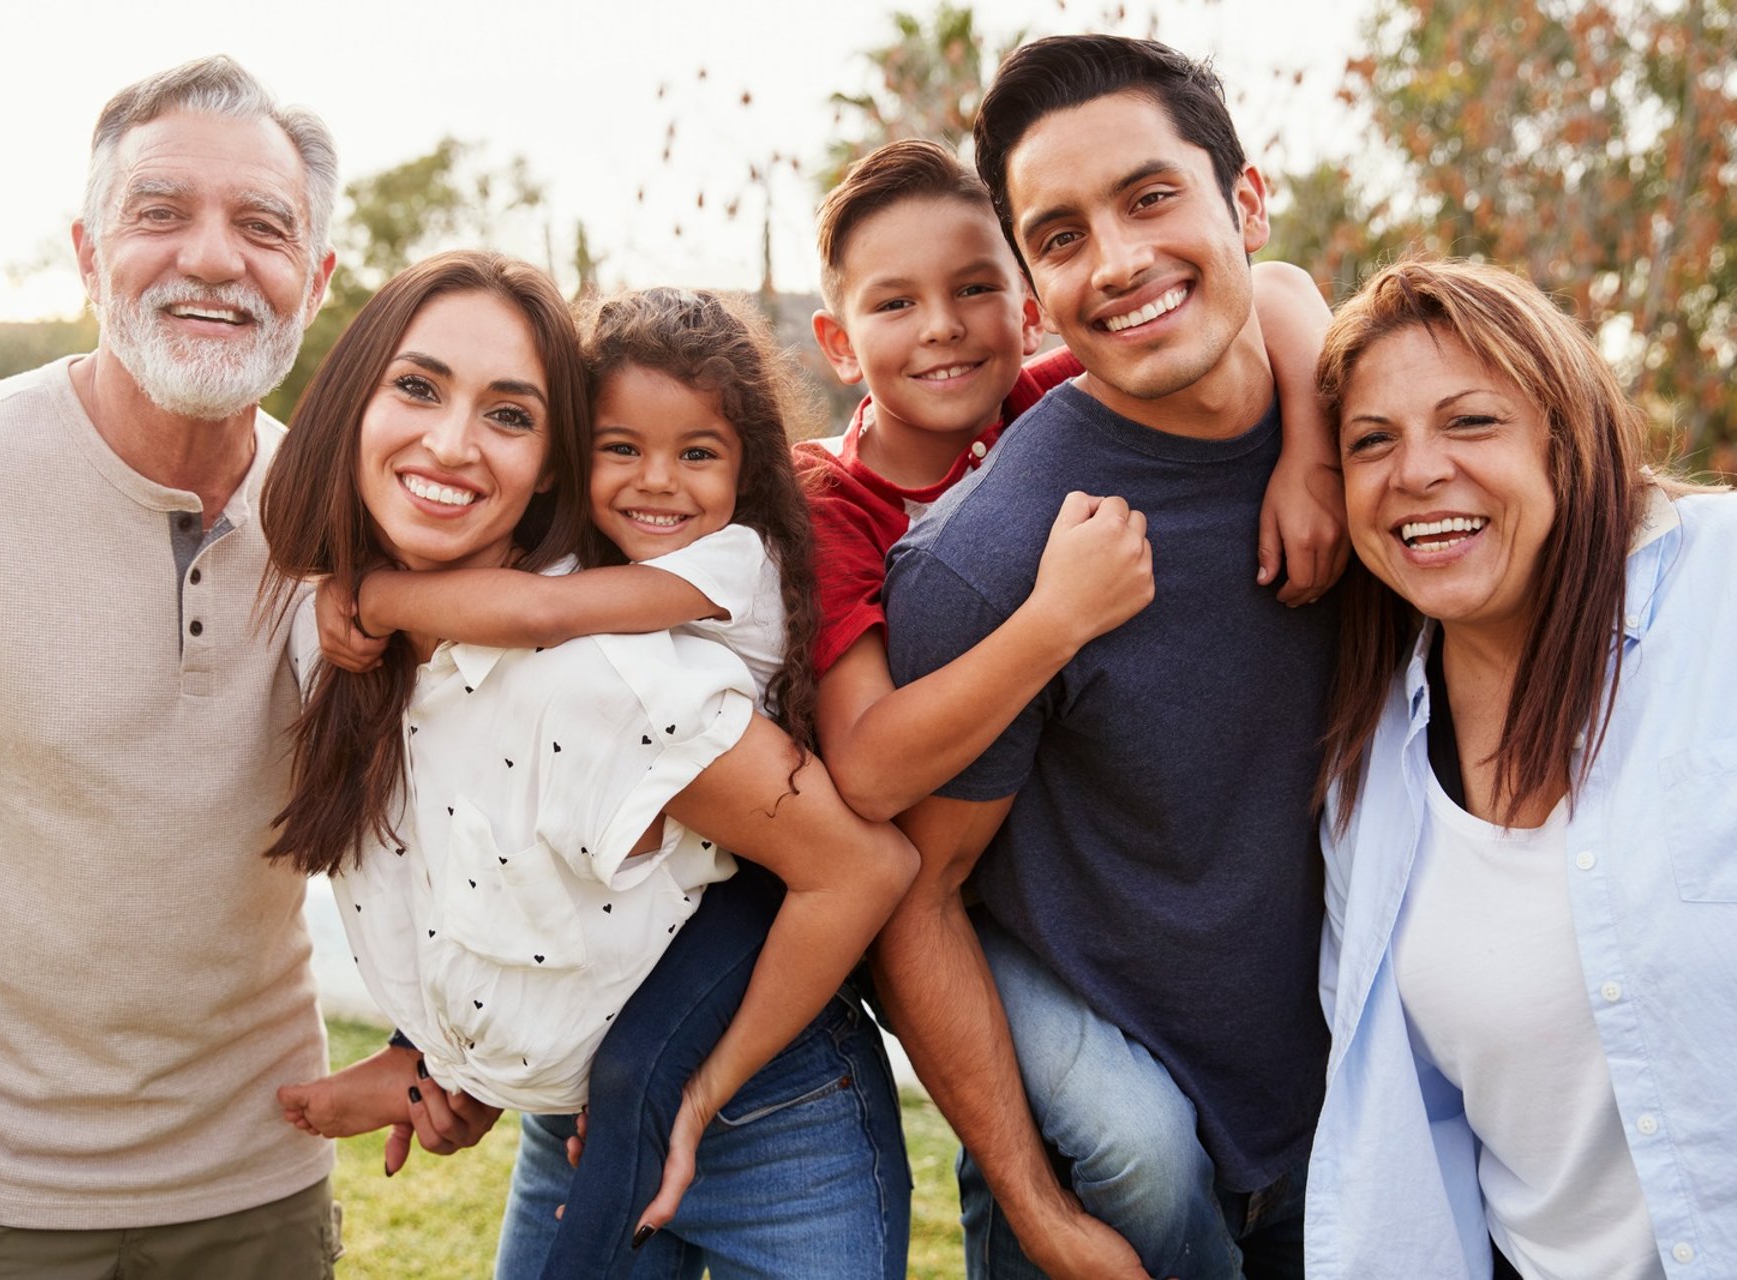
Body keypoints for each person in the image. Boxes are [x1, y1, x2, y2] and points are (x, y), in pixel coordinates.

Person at [0, 55, 443, 1276]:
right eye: (160, 213)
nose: (213, 258)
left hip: (263, 1186)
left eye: (263, 227)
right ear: (87, 255)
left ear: (315, 280)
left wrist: (458, 1044)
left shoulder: (351, 531)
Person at [262, 262, 918, 1280]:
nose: (450, 441)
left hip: (772, 1108)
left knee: (632, 1096)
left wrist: (692, 1096)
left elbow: (862, 865)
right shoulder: (350, 635)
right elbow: (497, 880)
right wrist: (455, 1062)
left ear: (546, 461)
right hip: (572, 1096)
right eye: (420, 387)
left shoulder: (612, 670)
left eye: (507, 413)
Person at [874, 36, 1346, 1280]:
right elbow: (917, 896)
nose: (1122, 261)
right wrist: (1038, 1204)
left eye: (1150, 198)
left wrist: (1317, 441)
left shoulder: (1374, 446)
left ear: (1243, 202)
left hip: (1357, 1136)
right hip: (1114, 1191)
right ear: (1033, 286)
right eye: (1065, 235)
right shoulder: (994, 564)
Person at [1306, 258, 1737, 1279]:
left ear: (1565, 440)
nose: (1419, 471)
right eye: (1371, 442)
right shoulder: (1367, 789)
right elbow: (1416, 1144)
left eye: (1472, 422)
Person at [799, 137, 1340, 828]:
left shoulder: (1043, 403)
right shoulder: (826, 499)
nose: (943, 327)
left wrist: (1313, 457)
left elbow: (1273, 285)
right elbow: (867, 773)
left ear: (1031, 315)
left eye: (973, 288)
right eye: (896, 304)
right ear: (841, 344)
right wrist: (1059, 619)